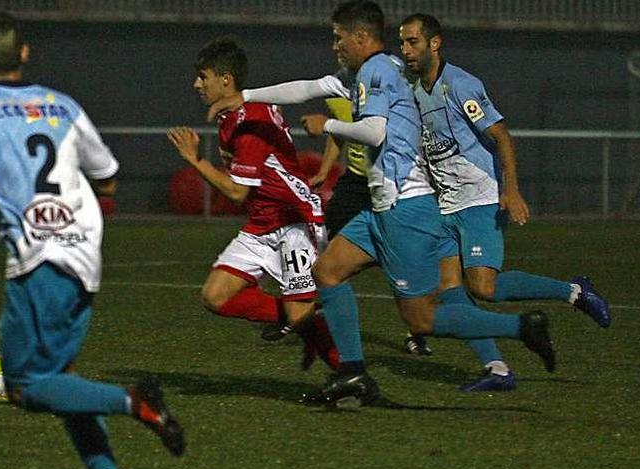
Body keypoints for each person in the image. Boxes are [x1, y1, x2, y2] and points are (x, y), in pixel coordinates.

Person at [208, 0, 558, 407]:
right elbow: (311, 87)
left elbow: (375, 132)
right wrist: (245, 97)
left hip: (405, 211)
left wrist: (329, 126)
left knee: (421, 320)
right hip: (385, 208)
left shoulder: (375, 71)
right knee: (328, 271)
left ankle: (523, 328)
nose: (334, 45)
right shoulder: (374, 68)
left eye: (339, 37)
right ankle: (353, 373)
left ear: (360, 37)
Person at [0, 13, 184, 469]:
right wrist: (94, 224)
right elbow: (107, 175)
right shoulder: (64, 106)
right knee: (63, 381)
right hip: (82, 260)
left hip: (39, 263)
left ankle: (133, 401)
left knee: (26, 388)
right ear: (25, 53)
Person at [398, 13, 611, 391]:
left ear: (435, 43)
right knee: (449, 291)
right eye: (402, 43)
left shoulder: (461, 85)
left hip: (479, 198)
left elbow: (503, 137)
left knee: (484, 288)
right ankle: (497, 369)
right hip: (446, 204)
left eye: (412, 41)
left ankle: (575, 292)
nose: (405, 50)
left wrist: (509, 190)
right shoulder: (414, 89)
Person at [167, 37, 340, 372]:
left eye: (203, 76)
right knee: (215, 295)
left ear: (226, 80)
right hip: (263, 223)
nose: (196, 84)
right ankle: (302, 321)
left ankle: (350, 375)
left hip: (294, 223)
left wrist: (195, 160)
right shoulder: (237, 114)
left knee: (301, 314)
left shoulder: (250, 121)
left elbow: (235, 193)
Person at [313, 96, 433, 357]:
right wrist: (324, 170)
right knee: (330, 250)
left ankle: (417, 332)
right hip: (355, 183)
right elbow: (337, 131)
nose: (337, 52)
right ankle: (324, 306)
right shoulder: (336, 92)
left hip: (391, 183)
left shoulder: (390, 85)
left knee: (399, 261)